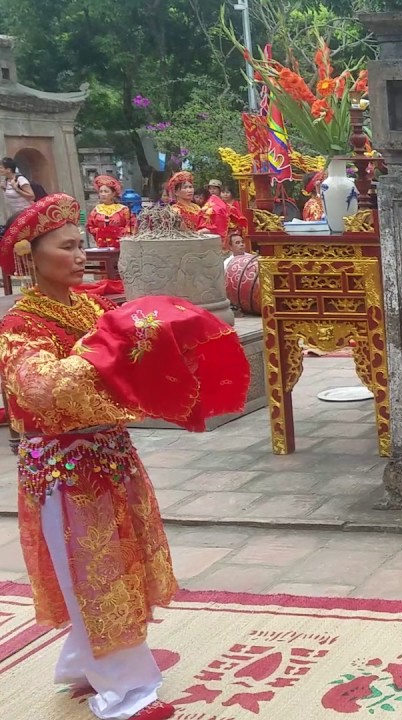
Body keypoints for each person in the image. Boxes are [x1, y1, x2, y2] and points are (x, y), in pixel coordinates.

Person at [0, 193, 250, 720]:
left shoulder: (89, 307)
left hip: (109, 453)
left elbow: (129, 362)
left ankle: (80, 664)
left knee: (114, 563)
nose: (80, 255)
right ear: (30, 255)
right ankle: (127, 691)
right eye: (67, 247)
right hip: (65, 468)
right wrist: (109, 351)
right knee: (94, 571)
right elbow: (41, 389)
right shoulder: (20, 326)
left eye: (79, 244)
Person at [86, 175, 135, 250]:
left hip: (122, 246)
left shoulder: (123, 210)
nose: (103, 194)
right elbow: (90, 226)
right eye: (101, 191)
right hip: (102, 247)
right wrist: (101, 232)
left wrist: (117, 232)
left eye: (106, 191)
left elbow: (132, 225)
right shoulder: (96, 211)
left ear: (113, 193)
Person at [200, 180, 231, 253]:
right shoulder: (208, 202)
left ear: (219, 190)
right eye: (210, 188)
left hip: (220, 228)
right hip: (209, 227)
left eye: (214, 188)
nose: (212, 190)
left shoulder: (222, 203)